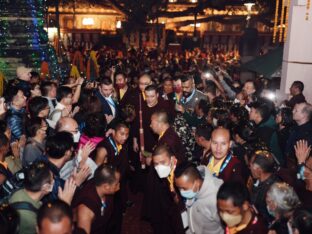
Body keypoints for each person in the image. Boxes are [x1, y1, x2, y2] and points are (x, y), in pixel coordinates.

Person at [94, 123, 130, 234]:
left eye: (127, 134)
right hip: (108, 188)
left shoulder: (120, 143)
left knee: (117, 216)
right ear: (113, 132)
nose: (125, 137)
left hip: (118, 186)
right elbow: (97, 174)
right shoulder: (103, 149)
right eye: (122, 134)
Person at [142, 145, 185, 234]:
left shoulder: (184, 173)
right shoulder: (158, 174)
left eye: (163, 162)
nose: (159, 167)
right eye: (156, 164)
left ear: (172, 159)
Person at [174, 162, 224, 234]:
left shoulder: (217, 198)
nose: (181, 192)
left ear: (197, 183)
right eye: (178, 188)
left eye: (184, 188)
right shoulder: (192, 188)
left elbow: (228, 227)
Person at [72, 164, 121, 234]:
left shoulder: (100, 183)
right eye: (116, 184)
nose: (119, 186)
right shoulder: (86, 211)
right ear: (106, 187)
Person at [9, 161, 54, 234]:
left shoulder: (19, 191)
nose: (54, 181)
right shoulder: (30, 219)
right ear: (46, 187)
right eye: (52, 180)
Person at [249, 150, 281, 224]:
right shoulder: (263, 180)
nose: (249, 168)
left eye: (251, 165)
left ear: (259, 170)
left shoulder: (270, 192)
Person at [249, 101, 284, 166]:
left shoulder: (265, 130)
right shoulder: (262, 125)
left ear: (258, 115)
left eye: (251, 111)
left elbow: (262, 155)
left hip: (276, 166)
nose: (249, 113)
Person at [286, 102, 312, 169]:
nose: (292, 111)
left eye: (296, 110)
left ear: (303, 115)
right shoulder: (295, 127)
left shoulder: (307, 134)